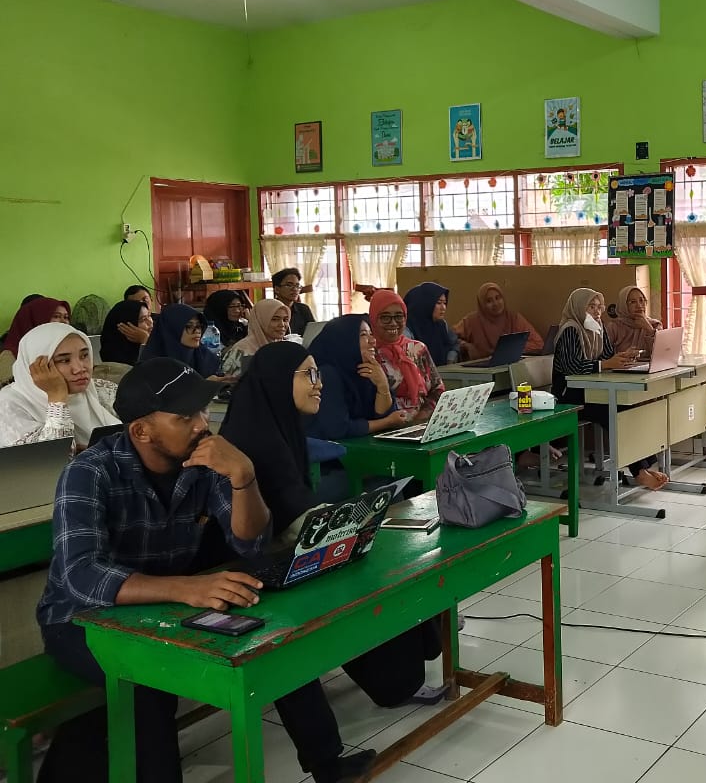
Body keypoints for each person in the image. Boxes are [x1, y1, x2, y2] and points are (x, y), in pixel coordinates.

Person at [34, 358, 374, 783]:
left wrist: (244, 477)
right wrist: (188, 589)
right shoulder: (89, 473)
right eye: (184, 417)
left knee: (270, 635)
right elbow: (82, 576)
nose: (201, 424)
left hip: (164, 603)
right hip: (80, 618)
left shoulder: (204, 459)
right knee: (147, 684)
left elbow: (251, 541)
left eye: (201, 410)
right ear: (141, 431)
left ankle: (327, 763)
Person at [221, 342, 446, 708]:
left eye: (318, 373)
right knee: (366, 572)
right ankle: (394, 680)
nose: (319, 383)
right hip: (258, 565)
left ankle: (410, 662)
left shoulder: (281, 424)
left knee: (385, 556)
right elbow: (282, 519)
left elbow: (298, 509)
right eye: (309, 374)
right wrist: (348, 524)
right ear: (280, 380)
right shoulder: (252, 438)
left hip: (290, 547)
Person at [552, 287, 668, 490]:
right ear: (579, 307)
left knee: (629, 409)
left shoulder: (598, 327)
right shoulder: (571, 329)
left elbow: (606, 356)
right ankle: (640, 472)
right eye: (591, 307)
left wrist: (622, 357)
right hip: (569, 395)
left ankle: (645, 467)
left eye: (599, 307)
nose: (597, 312)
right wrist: (605, 364)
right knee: (614, 411)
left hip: (591, 391)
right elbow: (572, 367)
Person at [0, 323, 119, 448]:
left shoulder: (103, 390)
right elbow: (51, 455)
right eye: (64, 360)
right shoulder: (8, 405)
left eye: (84, 356)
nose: (79, 369)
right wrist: (57, 398)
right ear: (35, 367)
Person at [305, 314, 410, 439]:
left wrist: (383, 386)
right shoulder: (327, 374)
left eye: (371, 334)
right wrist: (386, 423)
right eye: (364, 335)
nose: (373, 341)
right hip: (325, 447)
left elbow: (386, 414)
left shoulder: (367, 367)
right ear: (345, 340)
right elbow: (338, 429)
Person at [369, 290, 444, 420]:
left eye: (399, 316)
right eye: (385, 317)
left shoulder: (418, 349)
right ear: (373, 319)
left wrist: (422, 416)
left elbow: (437, 389)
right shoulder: (368, 352)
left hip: (421, 422)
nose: (393, 323)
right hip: (385, 425)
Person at [454, 282, 543, 360]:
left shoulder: (514, 319)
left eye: (498, 298)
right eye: (489, 301)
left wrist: (510, 348)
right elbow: (450, 337)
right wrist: (465, 345)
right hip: (480, 369)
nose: (495, 304)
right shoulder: (472, 321)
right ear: (482, 304)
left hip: (509, 365)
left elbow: (538, 343)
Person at [138, 303, 223, 379]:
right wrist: (205, 386)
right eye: (189, 326)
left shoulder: (205, 357)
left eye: (199, 326)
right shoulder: (153, 365)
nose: (197, 331)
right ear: (172, 330)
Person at [1, 295, 71, 386]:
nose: (63, 322)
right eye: (56, 316)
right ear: (37, 320)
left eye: (66, 317)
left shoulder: (65, 349)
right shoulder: (10, 356)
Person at [219, 298, 290, 378]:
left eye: (285, 320)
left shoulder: (284, 347)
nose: (282, 324)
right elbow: (228, 382)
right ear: (260, 320)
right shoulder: (242, 350)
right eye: (275, 319)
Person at [405, 281, 459, 366]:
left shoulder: (441, 325)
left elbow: (454, 344)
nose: (443, 308)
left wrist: (450, 359)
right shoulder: (407, 329)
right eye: (438, 303)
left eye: (444, 303)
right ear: (425, 304)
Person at [97, 299, 153, 369]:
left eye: (149, 316)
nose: (150, 322)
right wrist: (146, 341)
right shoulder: (115, 368)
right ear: (125, 328)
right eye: (143, 319)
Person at [606, 285, 662, 354]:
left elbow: (661, 352)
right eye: (633, 302)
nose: (639, 305)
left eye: (641, 300)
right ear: (624, 305)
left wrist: (649, 329)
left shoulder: (655, 324)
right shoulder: (614, 327)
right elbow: (606, 355)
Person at [274, 268, 315, 335]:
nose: (295, 289)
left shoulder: (304, 309)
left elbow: (314, 332)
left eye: (297, 285)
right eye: (289, 285)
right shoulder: (269, 311)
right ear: (277, 289)